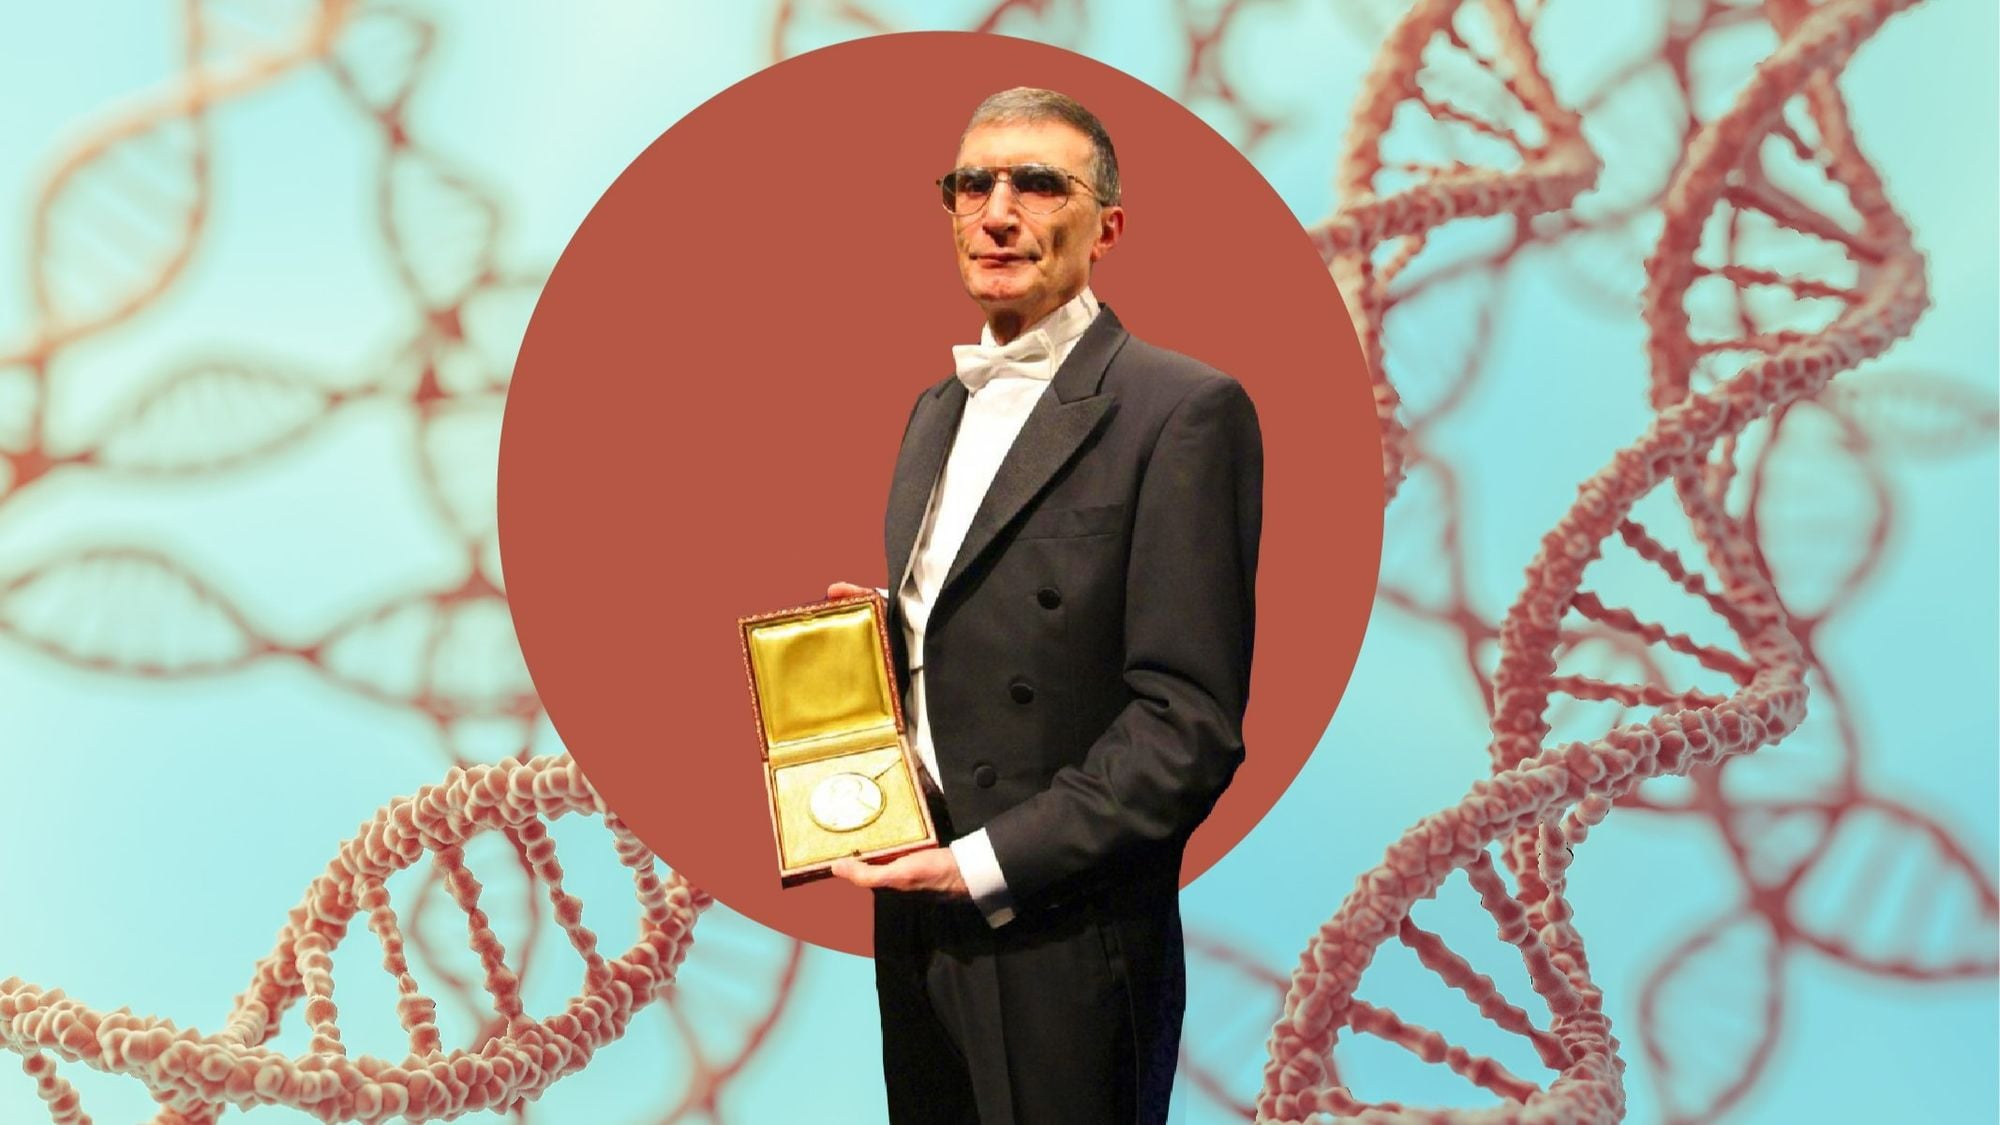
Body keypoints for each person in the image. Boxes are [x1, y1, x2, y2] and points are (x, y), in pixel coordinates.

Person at [825, 86, 1262, 1124]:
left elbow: (1185, 727)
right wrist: (887, 637)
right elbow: (1010, 618)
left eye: (1037, 184)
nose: (998, 212)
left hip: (1064, 934)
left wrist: (979, 865)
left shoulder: (1184, 409)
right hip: (917, 916)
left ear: (1107, 228)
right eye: (972, 184)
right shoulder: (934, 410)